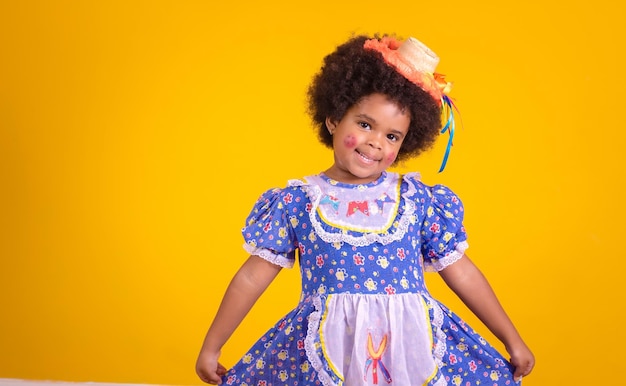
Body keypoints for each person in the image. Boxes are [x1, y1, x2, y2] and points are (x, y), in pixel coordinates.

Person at [195, 34, 535, 386]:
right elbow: (251, 277)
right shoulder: (297, 203)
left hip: (410, 351)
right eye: (365, 124)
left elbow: (462, 272)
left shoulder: (417, 200)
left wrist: (512, 339)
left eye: (392, 136)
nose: (376, 141)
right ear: (333, 119)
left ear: (407, 142)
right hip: (330, 352)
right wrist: (212, 346)